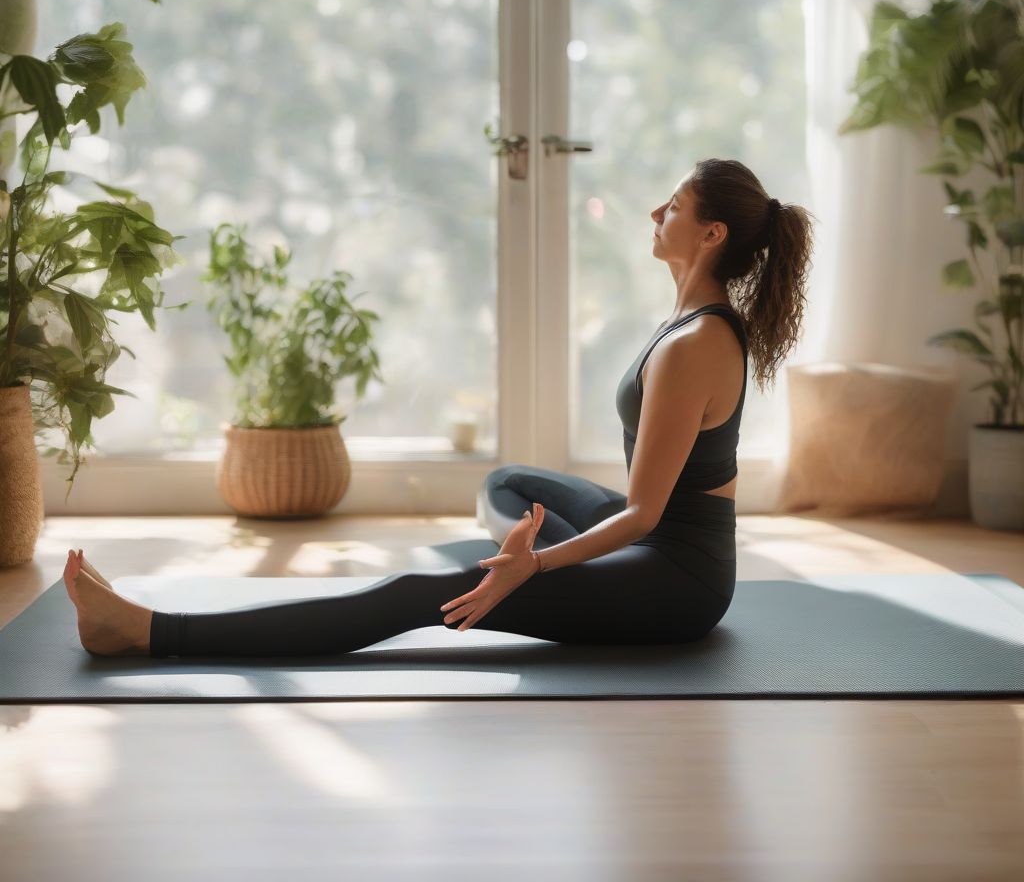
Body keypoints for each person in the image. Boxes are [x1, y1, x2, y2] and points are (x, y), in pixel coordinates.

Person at [61, 157, 814, 658]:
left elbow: (646, 517)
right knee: (512, 483)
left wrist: (535, 567)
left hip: (676, 583)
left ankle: (145, 631)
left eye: (674, 204)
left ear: (709, 234)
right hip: (657, 543)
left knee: (417, 594)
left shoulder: (696, 344)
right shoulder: (690, 323)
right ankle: (519, 555)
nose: (656, 209)